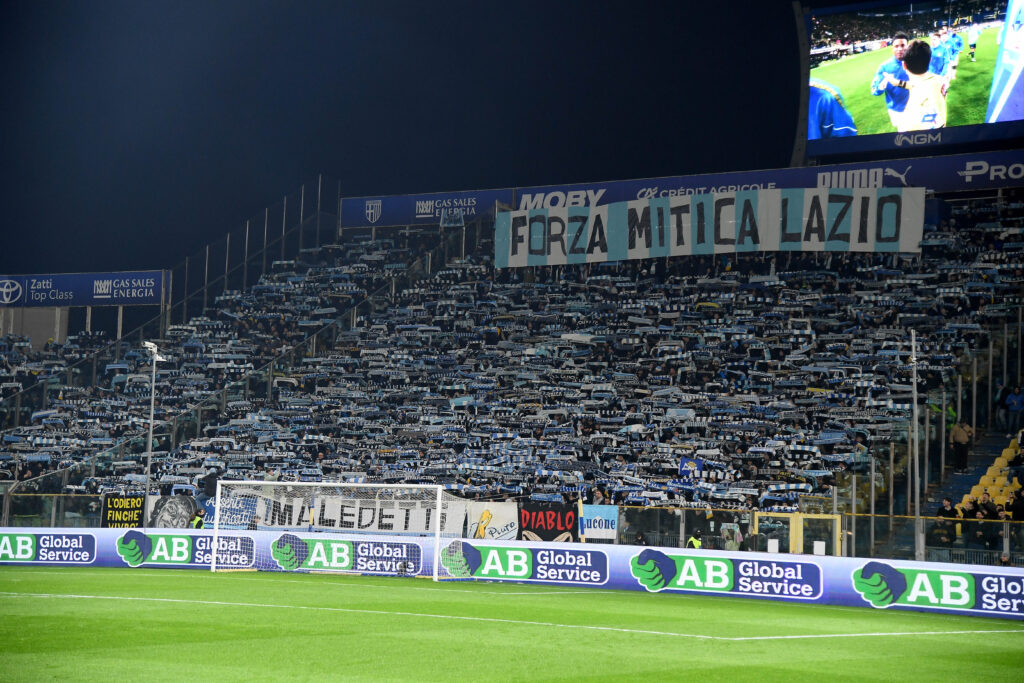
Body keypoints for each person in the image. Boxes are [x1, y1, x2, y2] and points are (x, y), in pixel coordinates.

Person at [899, 39, 947, 131]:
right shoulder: (941, 80)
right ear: (930, 61)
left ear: (904, 65)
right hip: (941, 130)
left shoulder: (906, 94)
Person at [870, 33, 911, 129]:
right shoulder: (885, 67)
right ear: (892, 49)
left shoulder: (915, 62)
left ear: (908, 46)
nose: (900, 49)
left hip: (917, 105)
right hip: (897, 110)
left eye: (903, 45)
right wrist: (881, 87)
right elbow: (873, 90)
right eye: (896, 46)